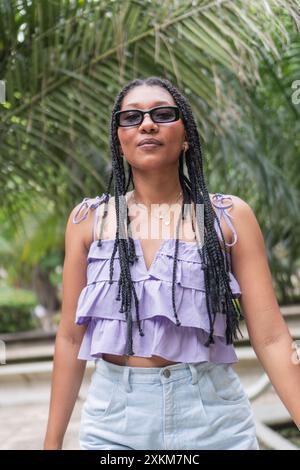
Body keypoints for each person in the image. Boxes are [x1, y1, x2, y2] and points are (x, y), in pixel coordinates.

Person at [44, 76, 300, 450]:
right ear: (119, 140)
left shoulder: (228, 218)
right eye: (131, 117)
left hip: (213, 421)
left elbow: (273, 338)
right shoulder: (88, 221)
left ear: (186, 138)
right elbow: (69, 338)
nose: (147, 124)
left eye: (163, 114)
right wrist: (51, 444)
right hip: (115, 424)